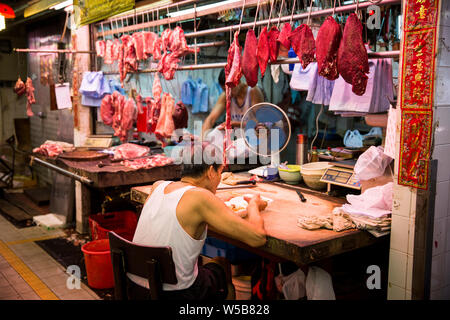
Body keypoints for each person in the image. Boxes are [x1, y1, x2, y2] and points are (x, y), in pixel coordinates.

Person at [130, 142, 268, 300]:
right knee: (222, 266)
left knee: (216, 264)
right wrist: (253, 204)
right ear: (210, 172)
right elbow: (258, 238)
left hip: (137, 289)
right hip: (175, 295)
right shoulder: (201, 198)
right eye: (220, 172)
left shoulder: (158, 186)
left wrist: (217, 200)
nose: (219, 179)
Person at [202, 69, 264, 138]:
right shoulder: (225, 96)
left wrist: (235, 124)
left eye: (230, 89)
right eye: (224, 90)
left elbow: (261, 122)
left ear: (238, 82)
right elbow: (210, 119)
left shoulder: (253, 91)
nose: (228, 93)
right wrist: (201, 140)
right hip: (240, 141)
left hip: (256, 140)